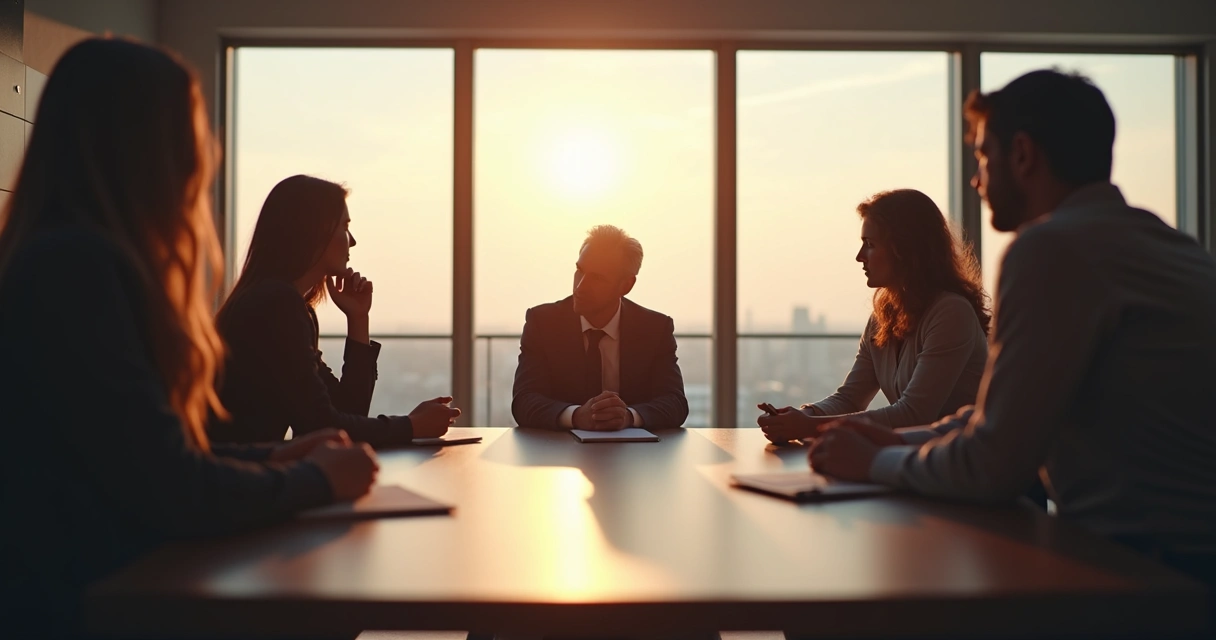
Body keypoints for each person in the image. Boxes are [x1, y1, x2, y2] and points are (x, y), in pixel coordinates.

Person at [0, 38, 379, 638]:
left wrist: (273, 456)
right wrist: (317, 479)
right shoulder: (79, 271)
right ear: (147, 150)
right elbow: (168, 487)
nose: (203, 157)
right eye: (190, 134)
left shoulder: (61, 259)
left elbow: (140, 458)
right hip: (87, 606)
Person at [808, 69, 1216, 584]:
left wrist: (872, 463)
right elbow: (991, 420)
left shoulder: (1051, 250)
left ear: (1022, 155)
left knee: (845, 603)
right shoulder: (1172, 249)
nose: (977, 180)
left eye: (982, 157)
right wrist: (883, 446)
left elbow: (994, 464)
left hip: (1143, 576)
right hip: (1185, 564)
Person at [210, 175, 459, 448]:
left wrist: (358, 319)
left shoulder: (284, 303)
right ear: (315, 232)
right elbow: (321, 426)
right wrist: (411, 426)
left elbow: (345, 413)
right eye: (344, 227)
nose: (351, 241)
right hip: (231, 485)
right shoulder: (276, 305)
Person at [758, 189, 990, 444]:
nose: (859, 256)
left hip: (960, 467)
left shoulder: (951, 313)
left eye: (870, 244)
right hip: (916, 459)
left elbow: (914, 415)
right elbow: (850, 398)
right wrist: (802, 416)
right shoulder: (883, 317)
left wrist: (809, 427)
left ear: (904, 249)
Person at [512, 225, 689, 430]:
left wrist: (628, 417)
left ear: (626, 285)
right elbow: (524, 401)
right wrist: (577, 416)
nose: (580, 286)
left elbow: (675, 403)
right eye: (579, 270)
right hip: (558, 453)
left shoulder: (654, 329)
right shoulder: (543, 322)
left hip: (636, 455)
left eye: (597, 278)